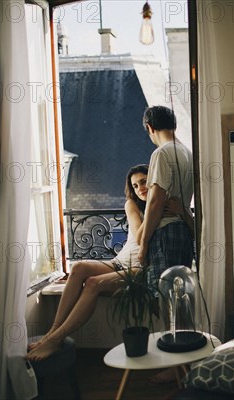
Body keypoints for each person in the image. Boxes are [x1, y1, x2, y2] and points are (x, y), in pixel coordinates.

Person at [26, 164, 181, 361]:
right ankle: (52, 332)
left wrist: (168, 207)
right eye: (135, 186)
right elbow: (139, 234)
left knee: (93, 284)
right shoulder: (132, 205)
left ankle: (56, 339)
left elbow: (176, 233)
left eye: (144, 182)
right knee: (79, 267)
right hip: (119, 262)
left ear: (154, 182)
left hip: (140, 269)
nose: (140, 188)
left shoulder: (166, 204)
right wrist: (154, 208)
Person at [138, 106, 194, 287]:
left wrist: (144, 244)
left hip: (164, 232)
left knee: (161, 294)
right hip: (183, 231)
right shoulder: (188, 153)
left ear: (150, 127)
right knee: (181, 294)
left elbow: (155, 202)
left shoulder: (162, 153)